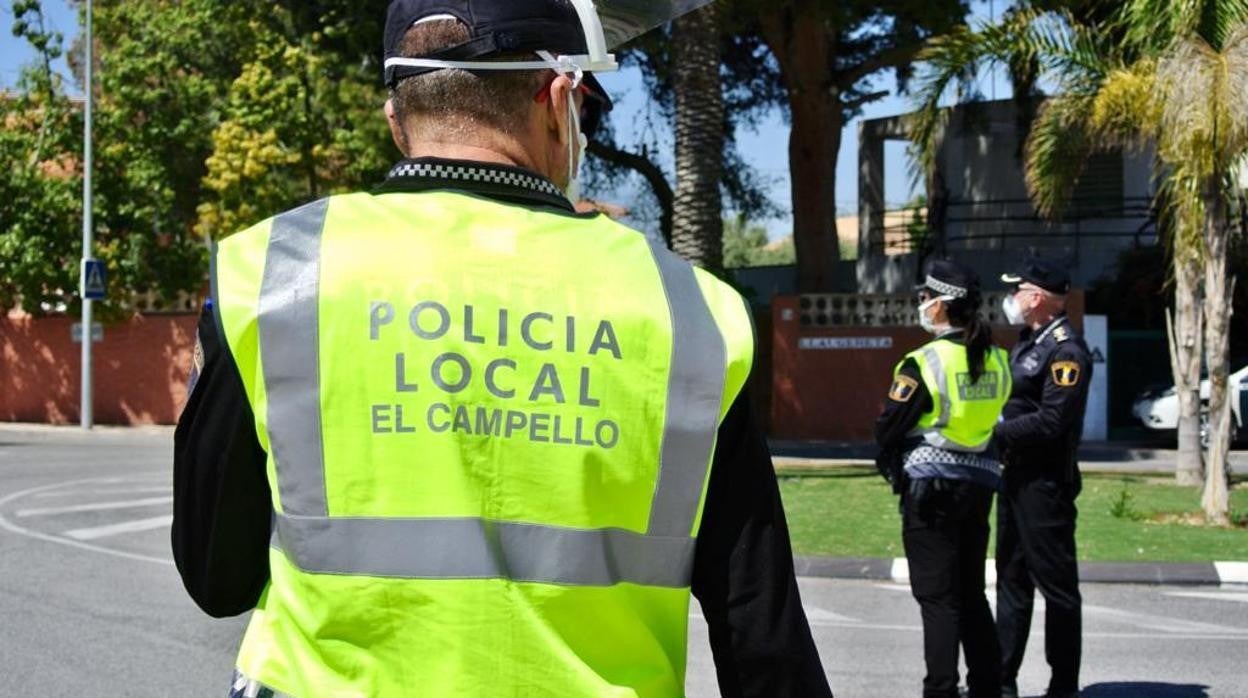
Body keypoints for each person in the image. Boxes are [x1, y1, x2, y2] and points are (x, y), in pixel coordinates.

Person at [171, 1, 831, 696]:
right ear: (556, 100)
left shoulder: (273, 272)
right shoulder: (689, 310)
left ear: (397, 121)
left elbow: (217, 577)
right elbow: (762, 637)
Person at [875, 260, 1010, 698]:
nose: (921, 305)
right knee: (971, 592)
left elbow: (889, 426)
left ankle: (941, 690)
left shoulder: (924, 361)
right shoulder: (997, 358)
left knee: (937, 599)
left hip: (930, 490)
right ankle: (988, 687)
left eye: (924, 298)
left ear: (943, 304)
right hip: (980, 486)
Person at [995, 258, 1092, 698]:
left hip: (1045, 487)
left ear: (1036, 298)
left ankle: (1063, 685)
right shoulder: (1028, 342)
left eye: (1018, 290)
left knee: (1057, 589)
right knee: (1011, 582)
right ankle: (1001, 678)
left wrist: (994, 431)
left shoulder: (1065, 351)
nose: (1012, 299)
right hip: (1015, 479)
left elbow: (1054, 420)